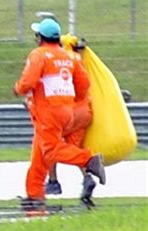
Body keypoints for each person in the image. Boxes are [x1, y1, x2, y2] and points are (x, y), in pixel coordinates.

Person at [13, 18, 106, 208]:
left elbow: (28, 82)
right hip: (67, 110)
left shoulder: (39, 54)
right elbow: (83, 84)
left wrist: (18, 89)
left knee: (51, 149)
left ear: (40, 37)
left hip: (47, 111)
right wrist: (74, 101)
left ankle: (88, 160)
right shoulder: (71, 57)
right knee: (39, 153)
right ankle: (35, 195)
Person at [45, 34, 96, 202]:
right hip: (85, 112)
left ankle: (53, 182)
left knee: (48, 144)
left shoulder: (57, 63)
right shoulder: (78, 60)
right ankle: (87, 177)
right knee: (73, 149)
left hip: (68, 113)